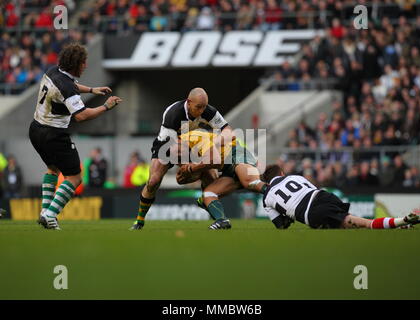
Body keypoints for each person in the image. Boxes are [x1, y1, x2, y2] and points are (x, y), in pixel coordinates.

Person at [29, 43, 122, 230]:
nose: (85, 66)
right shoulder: (67, 87)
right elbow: (81, 116)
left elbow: (70, 85)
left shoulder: (53, 71)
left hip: (36, 129)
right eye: (83, 62)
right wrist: (106, 107)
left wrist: (92, 90)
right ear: (75, 64)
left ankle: (44, 212)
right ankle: (51, 214)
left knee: (52, 169)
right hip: (54, 134)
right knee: (75, 177)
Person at [131, 88, 233, 230]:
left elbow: (228, 130)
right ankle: (139, 221)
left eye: (204, 107)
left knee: (211, 178)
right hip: (167, 146)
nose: (202, 111)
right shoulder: (173, 114)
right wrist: (189, 167)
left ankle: (218, 219)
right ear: (189, 102)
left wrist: (215, 143)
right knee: (153, 181)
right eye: (198, 107)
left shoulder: (208, 110)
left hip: (192, 147)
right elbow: (174, 149)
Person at [261, 164, 420, 230]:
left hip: (312, 213)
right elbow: (313, 190)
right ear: (282, 173)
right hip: (324, 196)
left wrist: (287, 217)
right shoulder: (294, 177)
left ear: (268, 181)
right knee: (353, 222)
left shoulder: (267, 197)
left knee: (365, 225)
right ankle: (402, 224)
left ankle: (400, 222)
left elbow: (281, 226)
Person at [176, 129, 267, 229]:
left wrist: (191, 168)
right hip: (228, 168)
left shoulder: (194, 137)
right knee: (207, 195)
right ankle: (222, 221)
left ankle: (280, 191)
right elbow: (210, 172)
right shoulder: (187, 151)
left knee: (251, 183)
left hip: (237, 153)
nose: (179, 157)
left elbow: (215, 160)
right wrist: (190, 174)